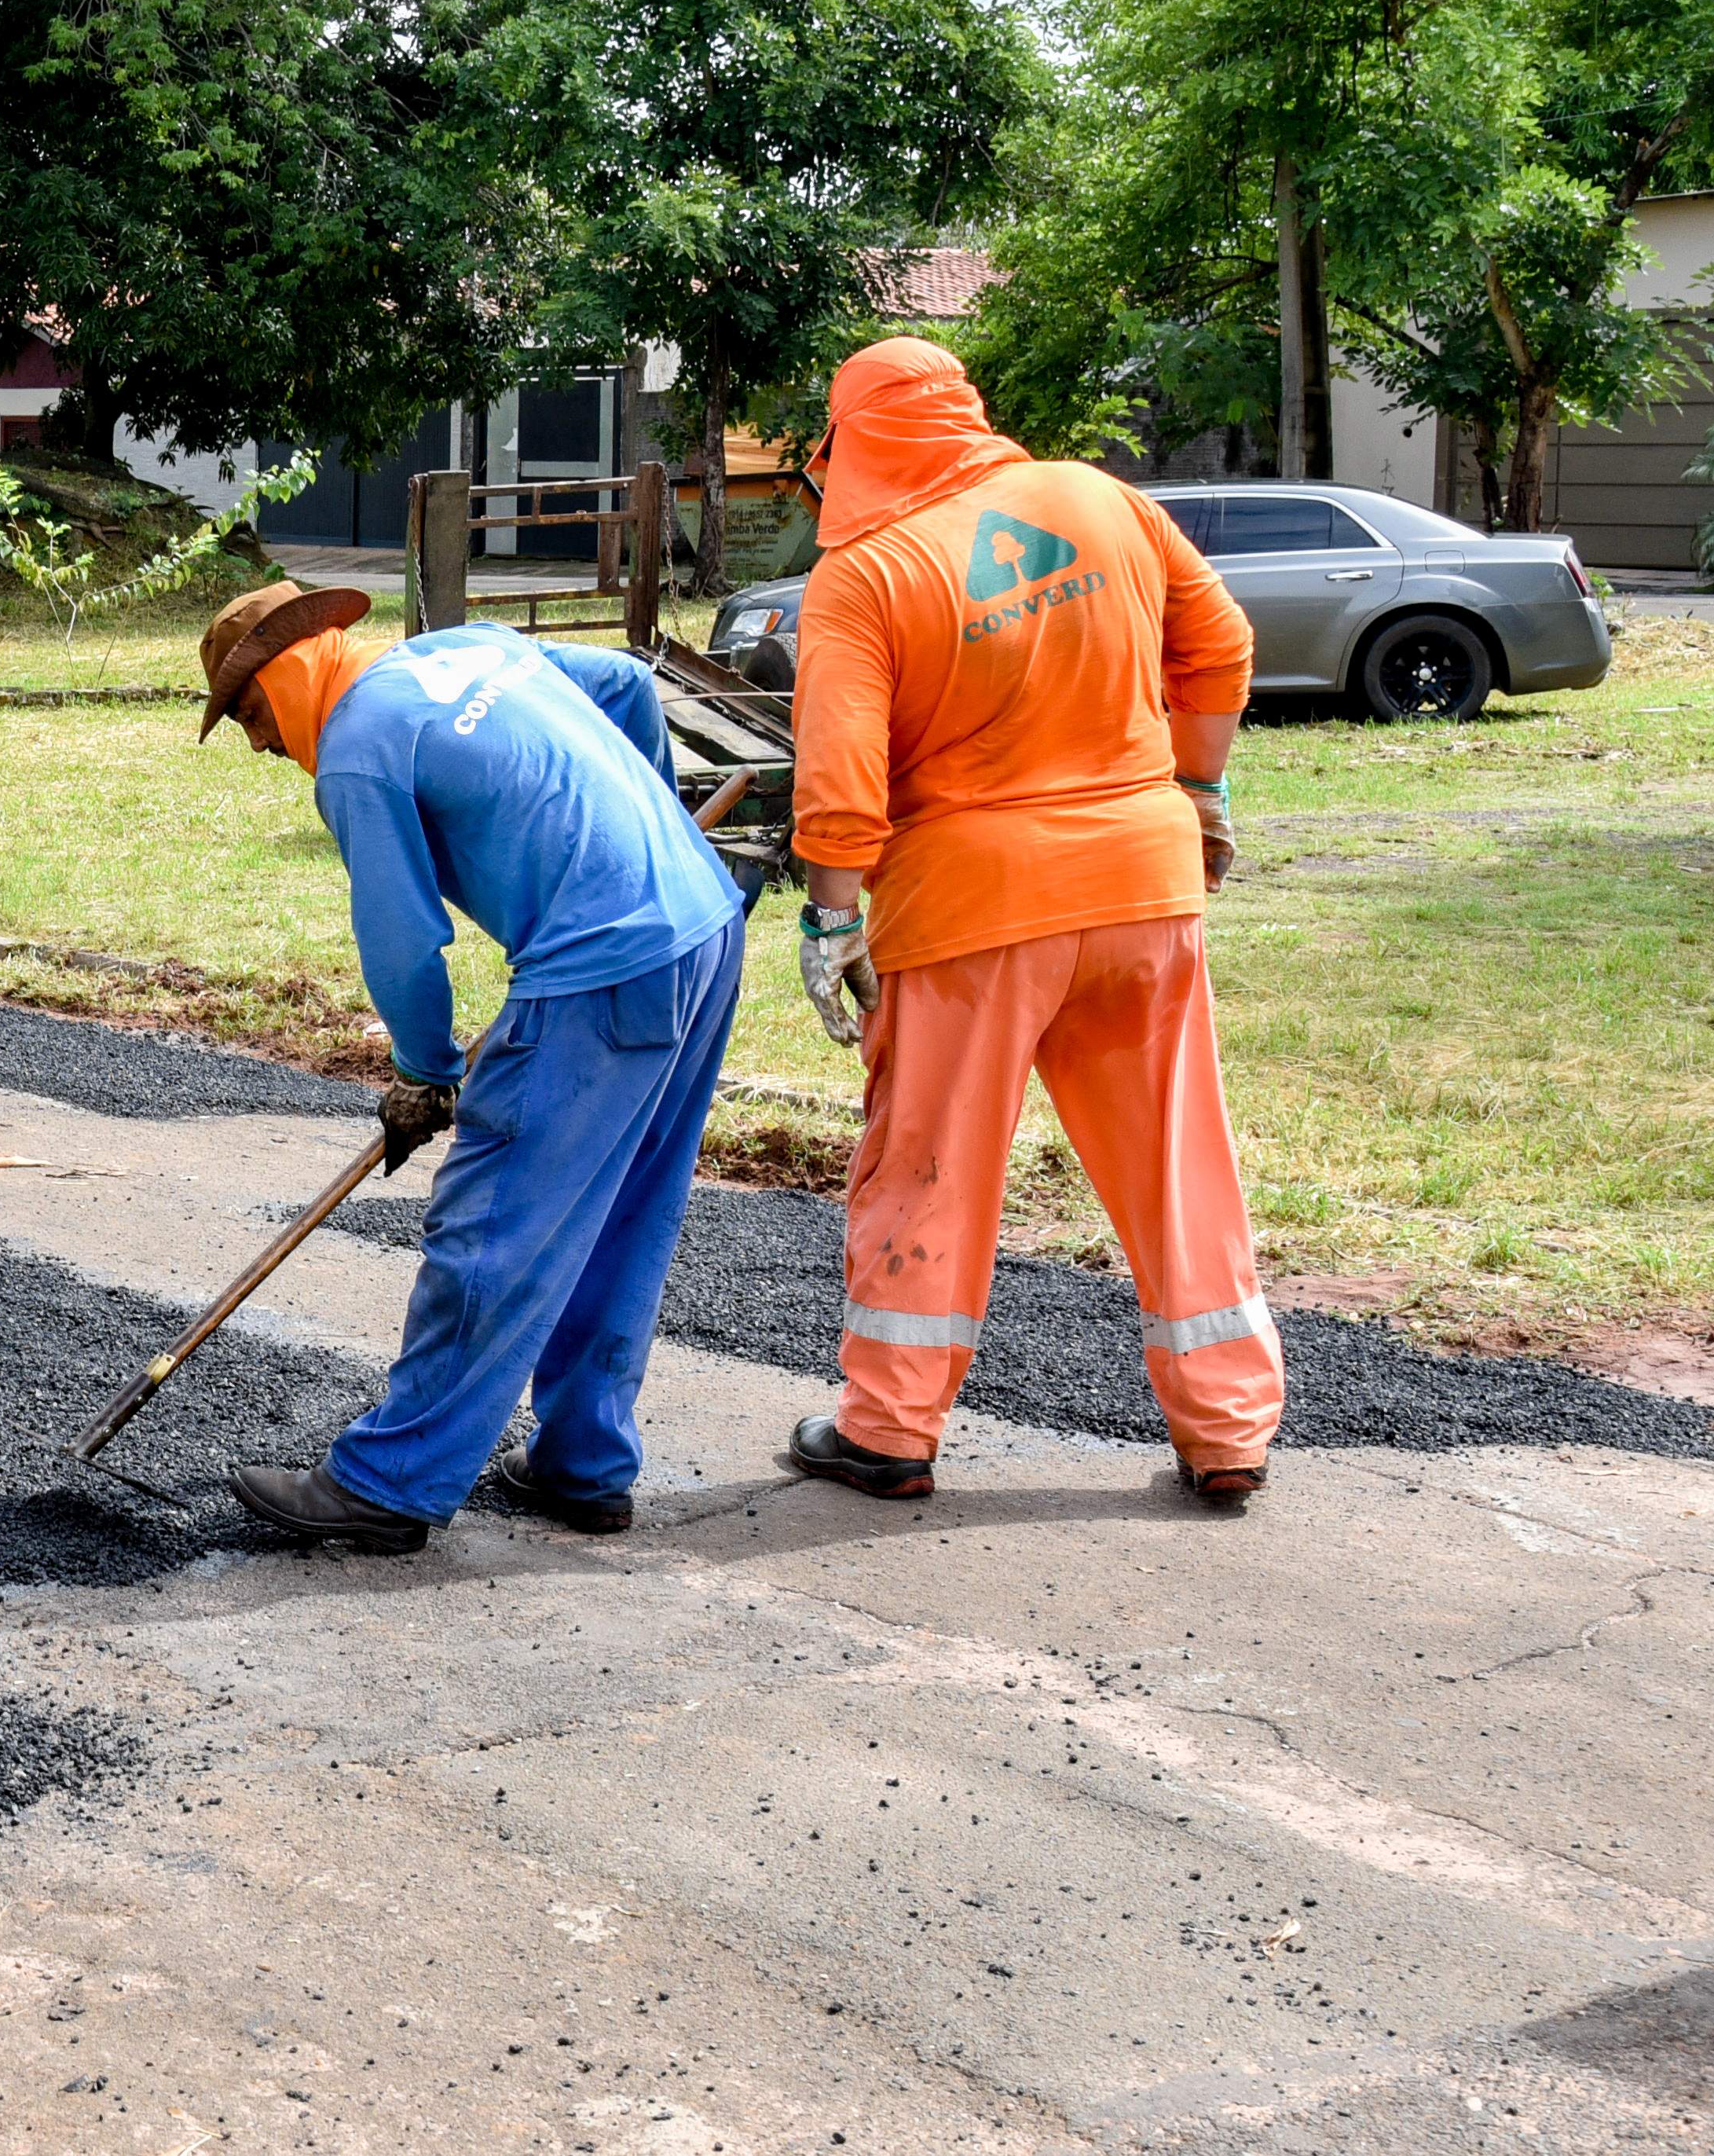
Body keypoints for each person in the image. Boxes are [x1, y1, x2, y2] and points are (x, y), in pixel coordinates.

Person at [780, 338, 1270, 1509]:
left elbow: (841, 776)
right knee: (1177, 1160)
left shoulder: (866, 573)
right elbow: (1224, 649)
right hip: (1146, 889)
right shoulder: (1099, 497)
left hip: (974, 912)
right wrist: (1197, 793)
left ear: (853, 441)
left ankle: (890, 1429)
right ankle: (1227, 1431)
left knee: (929, 1168)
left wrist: (831, 917)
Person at [196, 581, 751, 1550]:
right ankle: (582, 1463)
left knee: (491, 1219)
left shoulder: (358, 753)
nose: (257, 744)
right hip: (699, 922)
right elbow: (623, 683)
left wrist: (423, 1072)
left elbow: (402, 938)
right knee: (622, 1206)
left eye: (249, 712)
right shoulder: (473, 647)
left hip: (604, 966)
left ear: (293, 665)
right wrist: (656, 824)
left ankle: (392, 1479)